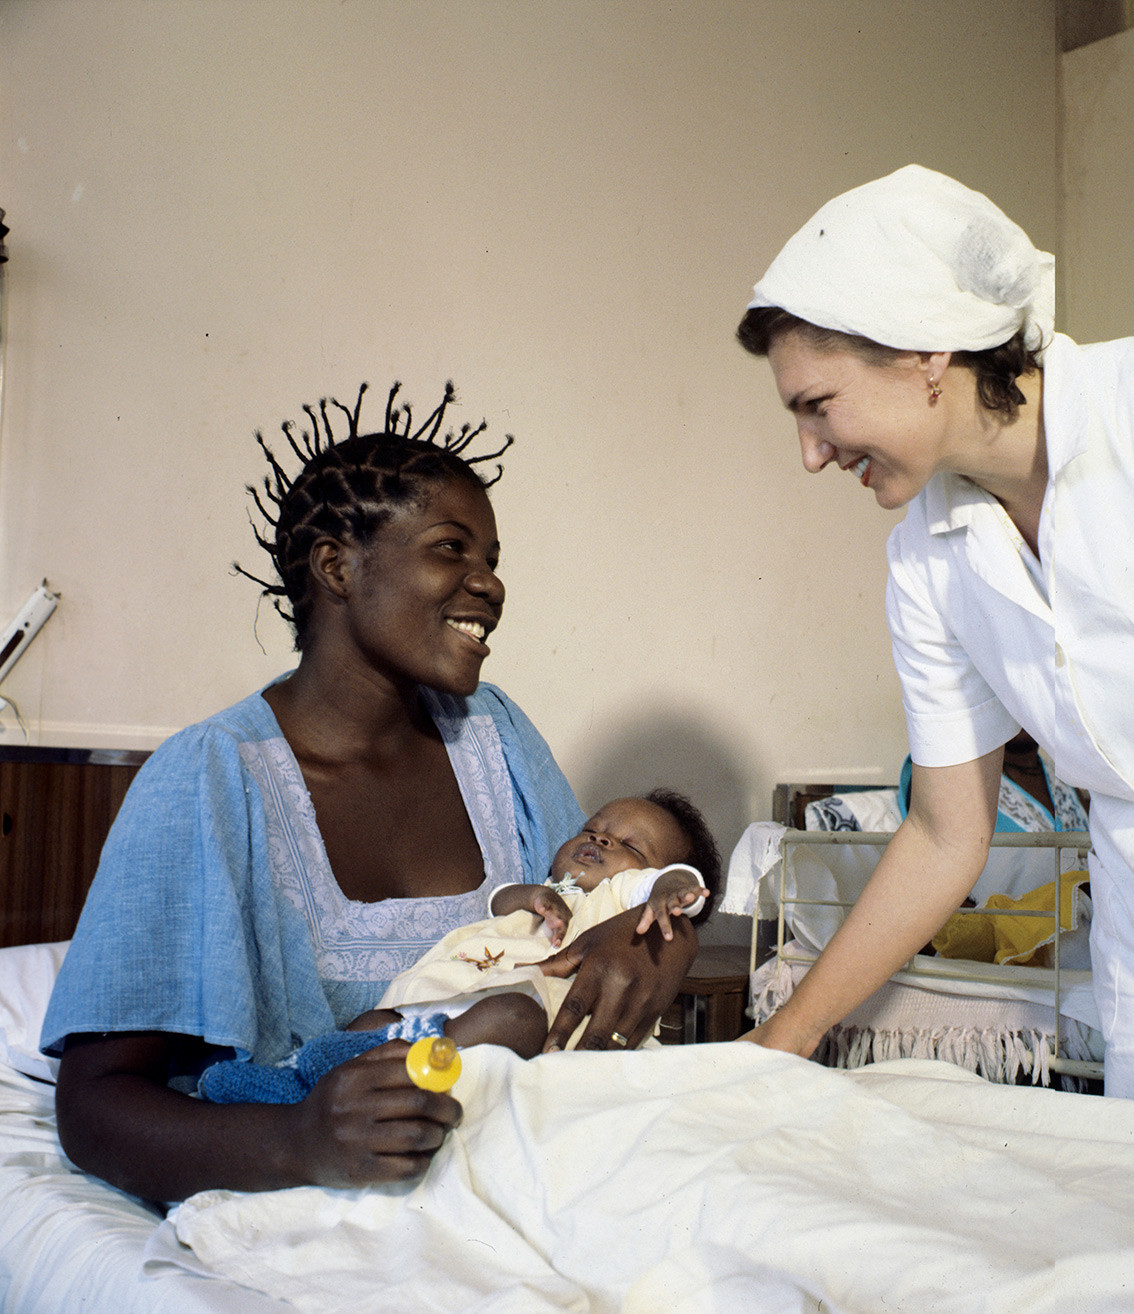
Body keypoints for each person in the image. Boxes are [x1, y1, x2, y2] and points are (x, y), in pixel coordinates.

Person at [39, 381, 701, 1202]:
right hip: (328, 1188)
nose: (489, 585)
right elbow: (94, 1110)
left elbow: (591, 918)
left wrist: (647, 949)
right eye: (451, 549)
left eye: (492, 561)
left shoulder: (494, 736)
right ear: (337, 567)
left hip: (526, 1155)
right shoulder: (207, 780)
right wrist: (297, 1141)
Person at [736, 165, 1134, 1103]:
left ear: (925, 353)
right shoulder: (926, 561)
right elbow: (943, 833)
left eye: (817, 405)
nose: (811, 453)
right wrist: (780, 1042)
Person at [198, 789, 720, 1102]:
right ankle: (303, 1082)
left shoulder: (620, 900)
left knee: (512, 1015)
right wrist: (537, 895)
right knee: (368, 1024)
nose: (603, 840)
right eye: (595, 829)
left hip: (518, 1022)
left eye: (629, 845)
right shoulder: (548, 892)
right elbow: (498, 901)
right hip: (436, 1005)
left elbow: (675, 886)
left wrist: (673, 889)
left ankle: (352, 1075)